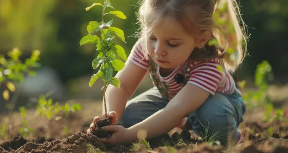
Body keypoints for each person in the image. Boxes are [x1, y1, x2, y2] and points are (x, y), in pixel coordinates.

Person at [87, 0, 247, 146]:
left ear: (201, 39)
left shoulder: (209, 63)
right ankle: (180, 124)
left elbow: (176, 109)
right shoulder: (146, 47)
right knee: (129, 116)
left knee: (214, 116)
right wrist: (108, 121)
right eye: (152, 37)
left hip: (216, 102)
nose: (158, 50)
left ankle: (231, 137)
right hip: (172, 98)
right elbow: (122, 86)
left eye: (172, 44)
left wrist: (129, 135)